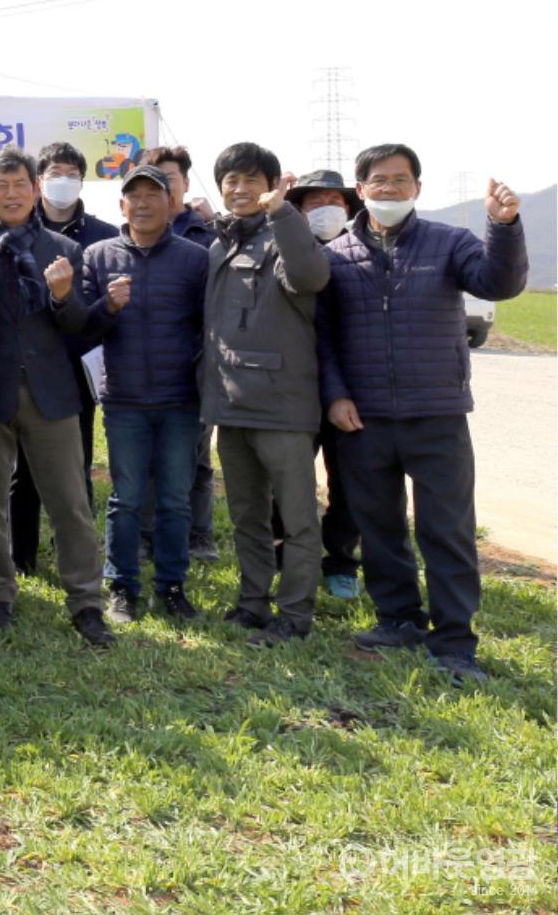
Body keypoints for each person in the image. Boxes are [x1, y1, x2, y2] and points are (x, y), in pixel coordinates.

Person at [319, 144, 527, 684]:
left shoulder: (449, 242)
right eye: (378, 180)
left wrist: (503, 226)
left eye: (400, 179)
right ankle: (399, 619)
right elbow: (324, 337)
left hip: (437, 413)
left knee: (447, 530)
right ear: (360, 190)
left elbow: (498, 283)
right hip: (363, 418)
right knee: (379, 525)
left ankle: (454, 640)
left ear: (417, 187)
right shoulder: (335, 255)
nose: (389, 188)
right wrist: (336, 395)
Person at [0, 147, 114, 647]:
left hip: (50, 391)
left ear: (35, 188)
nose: (11, 194)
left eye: (20, 184)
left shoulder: (62, 249)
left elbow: (79, 326)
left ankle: (86, 603)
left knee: (70, 503)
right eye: (1, 186)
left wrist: (64, 297)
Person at [200, 143, 330, 647]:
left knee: (297, 519)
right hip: (231, 407)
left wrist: (282, 213)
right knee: (246, 517)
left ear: (272, 185)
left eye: (251, 179)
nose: (240, 189)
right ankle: (252, 602)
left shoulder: (285, 237)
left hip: (282, 409)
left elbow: (310, 277)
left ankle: (294, 615)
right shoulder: (220, 245)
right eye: (230, 180)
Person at [83, 164, 208, 624]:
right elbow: (82, 327)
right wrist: (108, 306)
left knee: (175, 499)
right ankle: (122, 587)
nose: (142, 203)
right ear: (121, 205)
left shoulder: (195, 259)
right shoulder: (98, 256)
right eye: (133, 195)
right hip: (124, 400)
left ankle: (172, 586)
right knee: (126, 499)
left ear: (170, 202)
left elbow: (209, 326)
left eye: (152, 194)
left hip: (180, 400)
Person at [12, 140, 117, 575]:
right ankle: (21, 557)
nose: (64, 181)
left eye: (73, 174)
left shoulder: (104, 234)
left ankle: (73, 554)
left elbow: (100, 309)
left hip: (75, 370)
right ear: (39, 181)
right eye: (56, 173)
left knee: (75, 467)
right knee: (21, 471)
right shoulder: (17, 231)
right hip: (21, 370)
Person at [281, 169, 365, 599]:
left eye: (335, 201)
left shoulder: (361, 252)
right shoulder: (284, 249)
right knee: (285, 479)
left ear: (349, 208)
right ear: (298, 210)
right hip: (293, 387)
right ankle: (283, 553)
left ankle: (341, 560)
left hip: (350, 390)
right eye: (315, 202)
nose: (326, 209)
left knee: (347, 482)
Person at [136, 144, 220, 563]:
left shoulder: (208, 235)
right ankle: (146, 533)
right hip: (145, 367)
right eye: (153, 183)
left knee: (198, 457)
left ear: (186, 183)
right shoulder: (132, 234)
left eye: (170, 180)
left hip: (196, 365)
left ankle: (199, 534)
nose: (163, 190)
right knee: (148, 457)